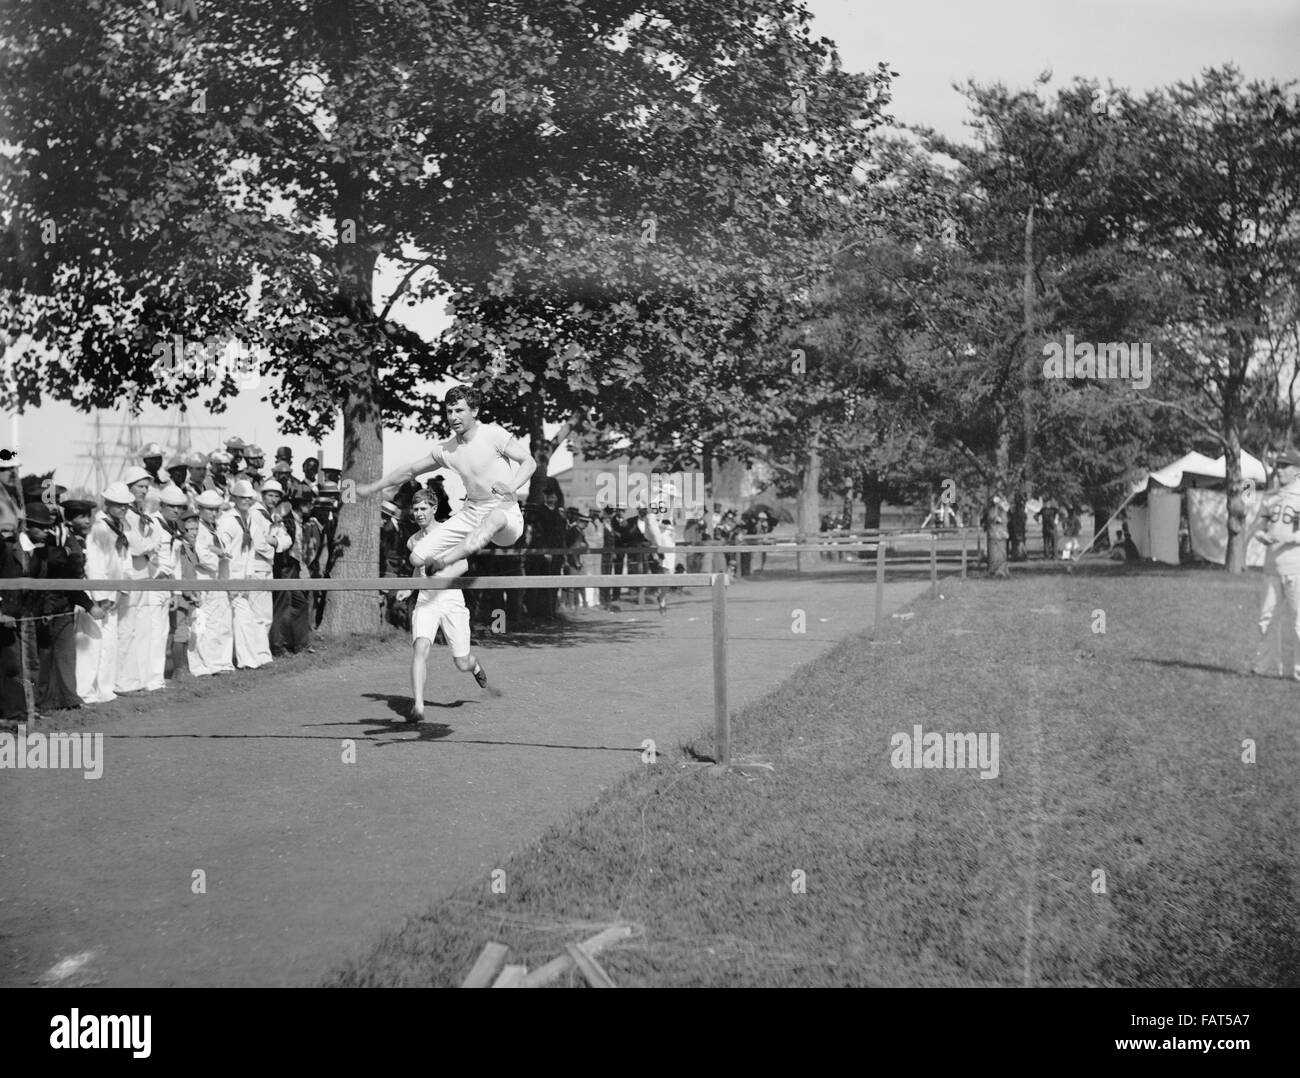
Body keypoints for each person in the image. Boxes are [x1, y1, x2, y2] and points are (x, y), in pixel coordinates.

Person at [358, 387, 536, 581]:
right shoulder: (446, 450)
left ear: (474, 411)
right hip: (473, 512)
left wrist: (511, 486)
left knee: (495, 518)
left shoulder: (493, 435)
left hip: (505, 514)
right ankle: (443, 560)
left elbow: (529, 462)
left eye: (459, 411)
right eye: (449, 412)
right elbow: (409, 470)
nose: (453, 417)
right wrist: (373, 488)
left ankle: (446, 560)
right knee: (417, 557)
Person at [397, 488, 495, 722]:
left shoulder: (448, 533)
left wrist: (440, 571)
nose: (419, 513)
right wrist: (408, 587)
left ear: (433, 509)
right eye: (416, 509)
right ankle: (418, 706)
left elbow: (463, 567)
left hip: (451, 600)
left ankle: (475, 666)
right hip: (426, 601)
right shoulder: (413, 541)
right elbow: (417, 570)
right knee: (420, 648)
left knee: (461, 662)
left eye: (423, 509)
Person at [78, 483, 134, 702]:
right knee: (92, 643)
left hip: (115, 591)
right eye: (118, 505)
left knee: (109, 643)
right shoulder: (100, 528)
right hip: (99, 594)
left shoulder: (119, 526)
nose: (123, 509)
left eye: (125, 505)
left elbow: (123, 560)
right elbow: (95, 564)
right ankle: (86, 690)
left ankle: (104, 688)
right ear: (107, 504)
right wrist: (100, 596)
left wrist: (122, 588)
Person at [1250, 448, 1300, 679]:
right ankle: (1265, 667)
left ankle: (1298, 671)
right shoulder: (1271, 497)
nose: (1279, 470)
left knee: (1299, 622)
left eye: (1285, 466)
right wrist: (1263, 537)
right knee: (1266, 619)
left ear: (1297, 470)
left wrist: (1291, 539)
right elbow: (1258, 529)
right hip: (1272, 568)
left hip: (1296, 568)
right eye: (1278, 465)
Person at [117, 465, 166, 692]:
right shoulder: (124, 513)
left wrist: (150, 545)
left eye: (146, 487)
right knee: (127, 628)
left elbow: (153, 539)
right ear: (129, 487)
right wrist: (152, 545)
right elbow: (136, 546)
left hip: (144, 572)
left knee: (143, 627)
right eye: (140, 486)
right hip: (130, 573)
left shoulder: (141, 513)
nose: (144, 491)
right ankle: (123, 681)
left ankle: (141, 678)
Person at [219, 478, 274, 669]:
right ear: (234, 498)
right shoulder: (227, 520)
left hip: (245, 577)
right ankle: (245, 661)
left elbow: (254, 547)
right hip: (230, 577)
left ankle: (246, 659)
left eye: (249, 498)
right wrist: (228, 581)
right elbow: (224, 552)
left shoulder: (249, 519)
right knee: (238, 620)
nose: (246, 501)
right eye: (242, 498)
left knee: (245, 619)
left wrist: (249, 575)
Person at [188, 489, 234, 677]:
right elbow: (202, 556)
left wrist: (218, 552)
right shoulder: (197, 529)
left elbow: (222, 550)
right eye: (209, 509)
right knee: (203, 624)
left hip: (218, 580)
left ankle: (221, 662)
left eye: (216, 510)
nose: (213, 513)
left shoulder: (215, 529)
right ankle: (202, 666)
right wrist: (219, 554)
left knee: (221, 623)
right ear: (200, 509)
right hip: (204, 579)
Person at [983, 494, 1010, 579]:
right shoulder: (992, 510)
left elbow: (1005, 517)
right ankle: (994, 570)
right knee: (995, 554)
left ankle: (1001, 570)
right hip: (994, 537)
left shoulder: (1003, 511)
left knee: (1001, 554)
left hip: (1001, 537)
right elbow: (991, 518)